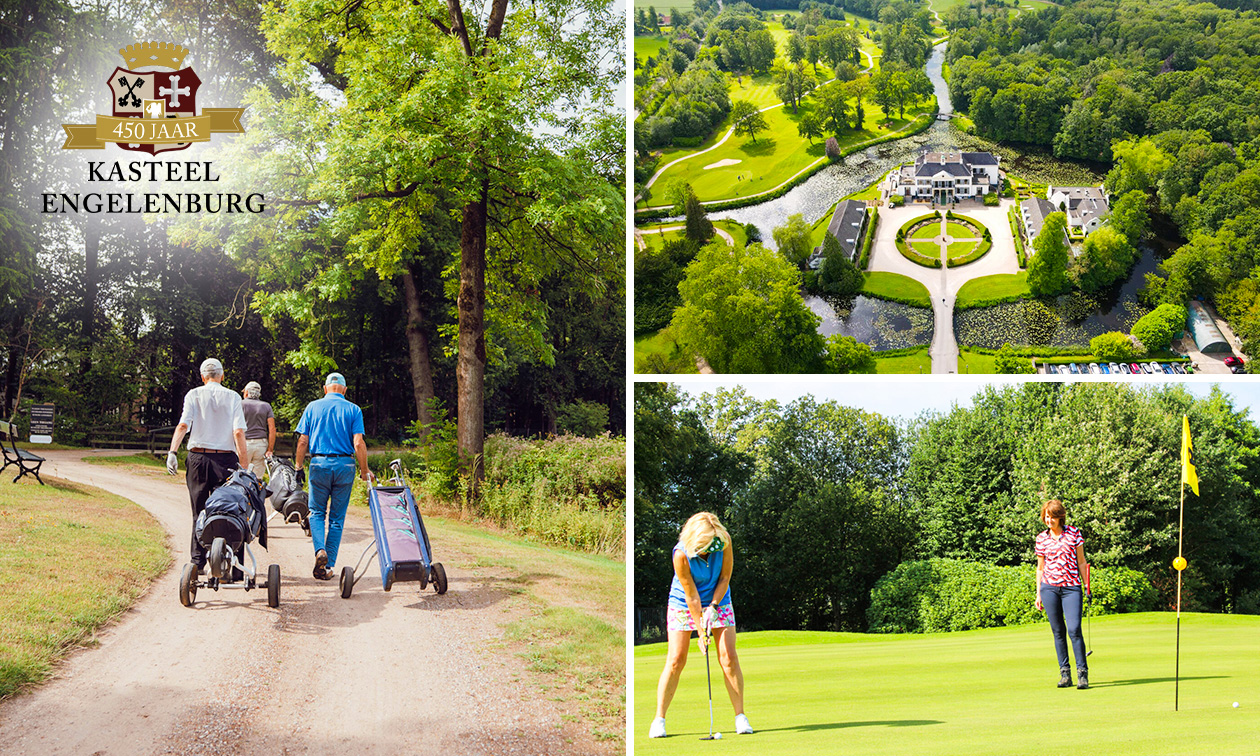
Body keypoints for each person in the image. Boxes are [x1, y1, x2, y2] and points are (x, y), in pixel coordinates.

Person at [649, 512, 752, 739]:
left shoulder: (723, 541)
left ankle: (740, 717)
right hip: (683, 603)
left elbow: (725, 577)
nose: (709, 547)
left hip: (720, 598)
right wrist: (701, 631)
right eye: (705, 544)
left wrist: (713, 607)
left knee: (728, 657)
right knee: (676, 659)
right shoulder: (681, 553)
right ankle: (659, 719)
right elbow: (691, 594)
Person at [165, 358, 248, 573]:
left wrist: (172, 451)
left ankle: (197, 563)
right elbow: (238, 431)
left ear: (203, 377)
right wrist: (245, 468)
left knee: (198, 511)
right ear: (222, 375)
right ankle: (236, 567)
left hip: (198, 459)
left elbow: (183, 424)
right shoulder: (233, 397)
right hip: (226, 460)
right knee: (232, 509)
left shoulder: (193, 394)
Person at [294, 372, 368, 580]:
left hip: (319, 464)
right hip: (345, 465)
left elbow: (302, 441)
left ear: (325, 388)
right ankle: (327, 567)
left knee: (316, 512)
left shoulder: (312, 407)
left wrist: (298, 466)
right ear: (344, 389)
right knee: (337, 518)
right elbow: (358, 443)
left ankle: (320, 551)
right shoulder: (354, 409)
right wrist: (364, 470)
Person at [1034, 499, 1090, 689]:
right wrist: (1038, 594)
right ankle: (1065, 673)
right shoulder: (1041, 538)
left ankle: (1082, 673)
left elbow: (1081, 562)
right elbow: (1040, 568)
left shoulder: (1074, 533)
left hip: (1071, 588)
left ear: (1060, 517)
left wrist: (1087, 586)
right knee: (1058, 632)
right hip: (1049, 588)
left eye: (1052, 517)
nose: (1049, 520)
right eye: (1047, 517)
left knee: (1074, 629)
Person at [240, 381, 276, 480]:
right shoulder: (266, 406)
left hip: (244, 443)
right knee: (257, 478)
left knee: (242, 476)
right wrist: (270, 449)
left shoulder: (240, 404)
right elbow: (272, 429)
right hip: (261, 444)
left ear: (246, 393)